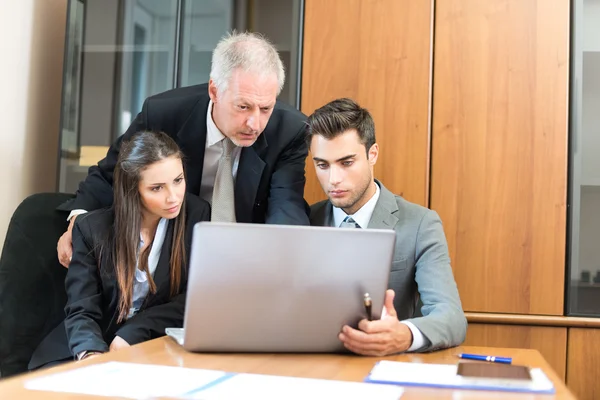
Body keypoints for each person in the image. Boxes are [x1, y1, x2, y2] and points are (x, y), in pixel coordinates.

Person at [56, 31, 309, 268]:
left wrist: (285, 259)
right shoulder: (164, 114)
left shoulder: (289, 130)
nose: (255, 124)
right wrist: (79, 220)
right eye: (243, 107)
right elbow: (111, 174)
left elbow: (286, 206)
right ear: (214, 91)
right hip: (170, 259)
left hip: (245, 262)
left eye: (266, 109)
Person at [28, 131, 210, 369]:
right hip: (86, 346)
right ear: (133, 189)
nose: (173, 197)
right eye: (157, 188)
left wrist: (133, 332)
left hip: (153, 346)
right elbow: (82, 309)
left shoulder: (196, 214)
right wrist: (93, 355)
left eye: (178, 180)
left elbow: (191, 298)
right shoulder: (92, 229)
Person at [307, 98, 467, 356]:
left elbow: (451, 317)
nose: (333, 179)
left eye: (346, 163)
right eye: (322, 165)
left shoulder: (420, 224)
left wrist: (404, 335)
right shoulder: (304, 221)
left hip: (385, 370)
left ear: (373, 154)